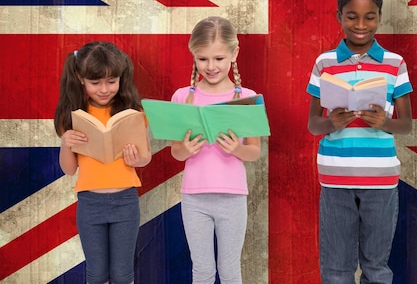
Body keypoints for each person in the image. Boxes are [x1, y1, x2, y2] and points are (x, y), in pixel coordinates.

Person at [306, 0, 413, 284]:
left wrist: (384, 123)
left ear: (380, 16)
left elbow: (405, 124)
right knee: (336, 269)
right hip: (335, 176)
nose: (361, 24)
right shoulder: (325, 62)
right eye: (351, 16)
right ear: (339, 16)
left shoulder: (395, 63)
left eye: (370, 17)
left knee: (376, 268)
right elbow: (314, 124)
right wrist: (332, 122)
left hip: (380, 178)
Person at [170, 16, 261, 284]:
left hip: (232, 197)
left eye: (219, 59)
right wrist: (185, 149)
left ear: (234, 54)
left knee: (230, 269)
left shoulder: (247, 97)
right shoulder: (182, 97)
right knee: (202, 269)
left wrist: (236, 149)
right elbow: (176, 152)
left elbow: (254, 152)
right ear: (194, 56)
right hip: (194, 197)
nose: (211, 67)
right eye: (203, 59)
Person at [54, 41, 152, 284]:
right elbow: (69, 169)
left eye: (111, 81)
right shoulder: (74, 115)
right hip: (90, 203)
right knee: (96, 273)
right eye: (95, 83)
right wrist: (66, 143)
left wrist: (136, 158)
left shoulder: (133, 111)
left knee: (122, 273)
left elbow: (145, 156)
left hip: (125, 201)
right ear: (80, 78)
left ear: (121, 77)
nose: (104, 89)